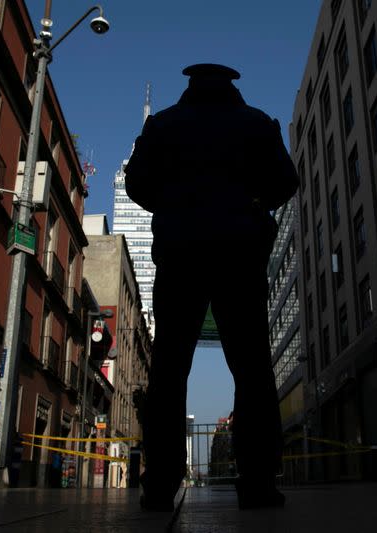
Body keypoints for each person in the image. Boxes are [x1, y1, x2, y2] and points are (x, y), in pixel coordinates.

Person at [125, 63, 299, 511]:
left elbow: (136, 182)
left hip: (180, 250)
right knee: (252, 365)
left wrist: (171, 205)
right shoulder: (257, 123)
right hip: (240, 252)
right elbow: (286, 180)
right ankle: (258, 481)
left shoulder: (162, 123)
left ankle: (160, 482)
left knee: (169, 367)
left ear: (190, 85)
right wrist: (254, 203)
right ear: (231, 86)